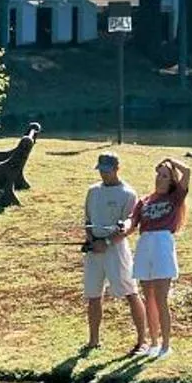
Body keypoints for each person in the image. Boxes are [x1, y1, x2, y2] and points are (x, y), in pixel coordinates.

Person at [79, 150, 142, 354]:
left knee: (130, 291)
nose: (103, 175)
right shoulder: (93, 191)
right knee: (93, 294)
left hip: (116, 250)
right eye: (101, 170)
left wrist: (106, 242)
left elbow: (128, 227)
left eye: (107, 171)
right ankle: (93, 340)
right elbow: (88, 221)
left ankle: (142, 340)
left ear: (116, 169)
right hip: (94, 251)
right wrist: (91, 240)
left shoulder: (128, 194)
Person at [130, 157, 191, 359]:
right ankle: (153, 342)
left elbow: (188, 172)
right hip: (145, 244)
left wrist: (169, 161)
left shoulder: (174, 197)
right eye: (158, 174)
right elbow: (133, 221)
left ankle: (166, 344)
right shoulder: (145, 200)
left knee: (161, 298)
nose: (159, 178)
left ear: (171, 180)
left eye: (164, 176)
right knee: (149, 298)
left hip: (162, 245)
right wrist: (122, 226)